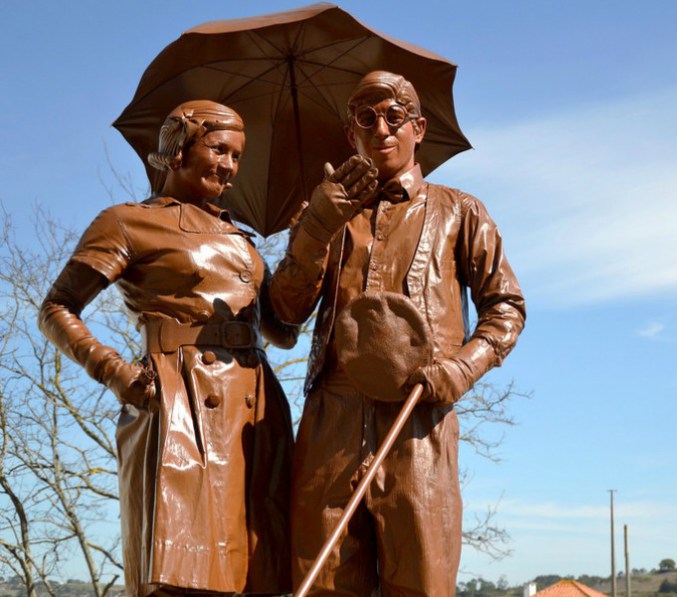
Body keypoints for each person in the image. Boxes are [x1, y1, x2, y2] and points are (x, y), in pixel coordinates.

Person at [269, 70, 526, 596]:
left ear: (420, 127)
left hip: (419, 421)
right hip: (329, 423)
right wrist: (314, 228)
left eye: (395, 116)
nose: (382, 129)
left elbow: (506, 307)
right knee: (321, 581)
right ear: (350, 135)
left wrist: (461, 367)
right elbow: (284, 316)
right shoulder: (323, 213)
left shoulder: (462, 210)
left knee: (422, 581)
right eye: (366, 118)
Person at [38, 100, 297, 596]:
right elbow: (56, 308)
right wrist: (116, 373)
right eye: (218, 149)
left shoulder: (243, 241)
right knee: (182, 576)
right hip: (179, 403)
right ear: (178, 150)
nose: (229, 165)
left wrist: (311, 239)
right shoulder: (127, 222)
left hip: (254, 409)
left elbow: (283, 332)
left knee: (258, 572)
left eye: (237, 156)